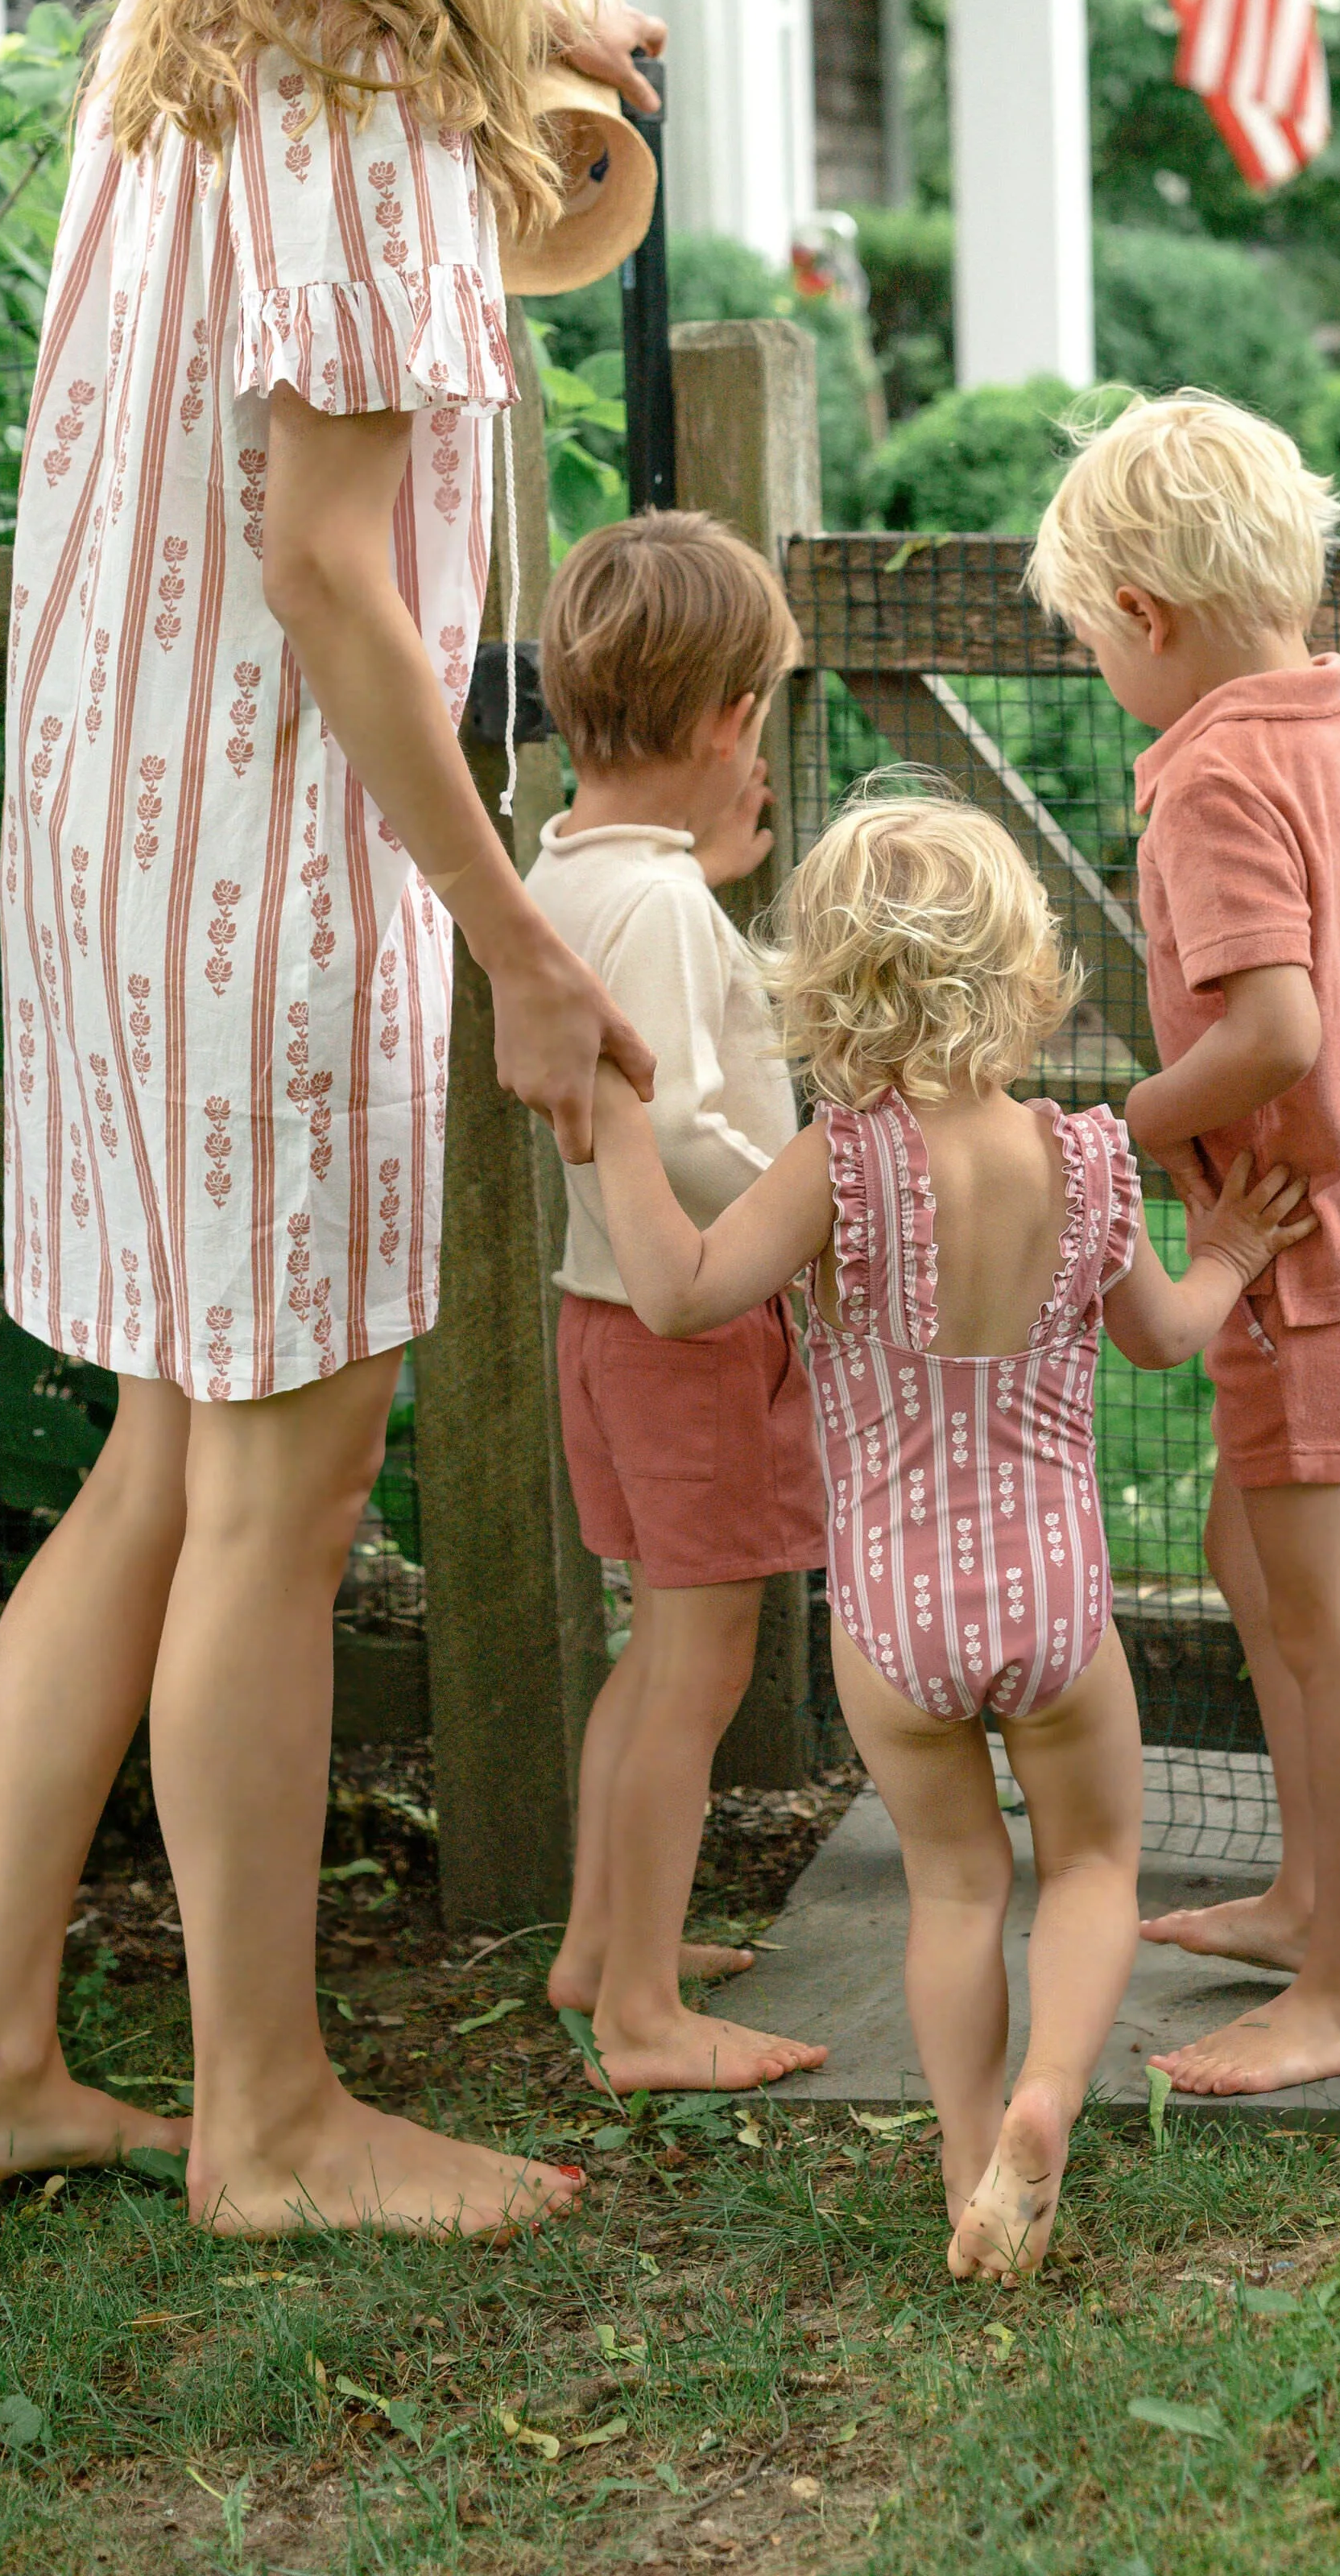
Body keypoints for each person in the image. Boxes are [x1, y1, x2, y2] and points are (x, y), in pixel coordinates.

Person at [0, 0, 661, 2236]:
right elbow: (342, 573)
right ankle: (267, 2113)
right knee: (281, 1485)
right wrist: (532, 950)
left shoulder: (204, 58)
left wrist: (573, 86)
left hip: (126, 855)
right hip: (274, 865)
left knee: (159, 1459)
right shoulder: (345, 95)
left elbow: (501, 265)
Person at [582, 791, 1312, 2277]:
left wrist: (608, 1121)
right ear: (1030, 978)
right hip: (1054, 1597)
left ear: (830, 989)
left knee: (955, 1888)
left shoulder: (836, 1168)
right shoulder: (1092, 1158)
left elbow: (674, 1295)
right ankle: (1054, 2095)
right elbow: (1168, 1335)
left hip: (894, 1616)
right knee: (1098, 1863)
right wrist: (1229, 1253)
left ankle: (967, 2156)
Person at [1028, 390, 1340, 2098]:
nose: (1104, 676)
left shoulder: (1214, 774)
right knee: (1253, 1559)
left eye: (1094, 647)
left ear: (1144, 619)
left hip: (1317, 1259)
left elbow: (1277, 1033)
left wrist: (1107, 1132)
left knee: (1326, 1620)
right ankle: (1308, 1896)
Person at [525, 512, 830, 2095]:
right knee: (697, 1670)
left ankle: (600, 1947)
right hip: (690, 1329)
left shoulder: (570, 871)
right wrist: (822, 1198)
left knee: (655, 1661)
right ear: (728, 722)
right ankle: (641, 2014)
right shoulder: (654, 910)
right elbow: (702, 1136)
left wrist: (704, 880)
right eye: (760, 715)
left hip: (602, 1322)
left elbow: (638, 983)